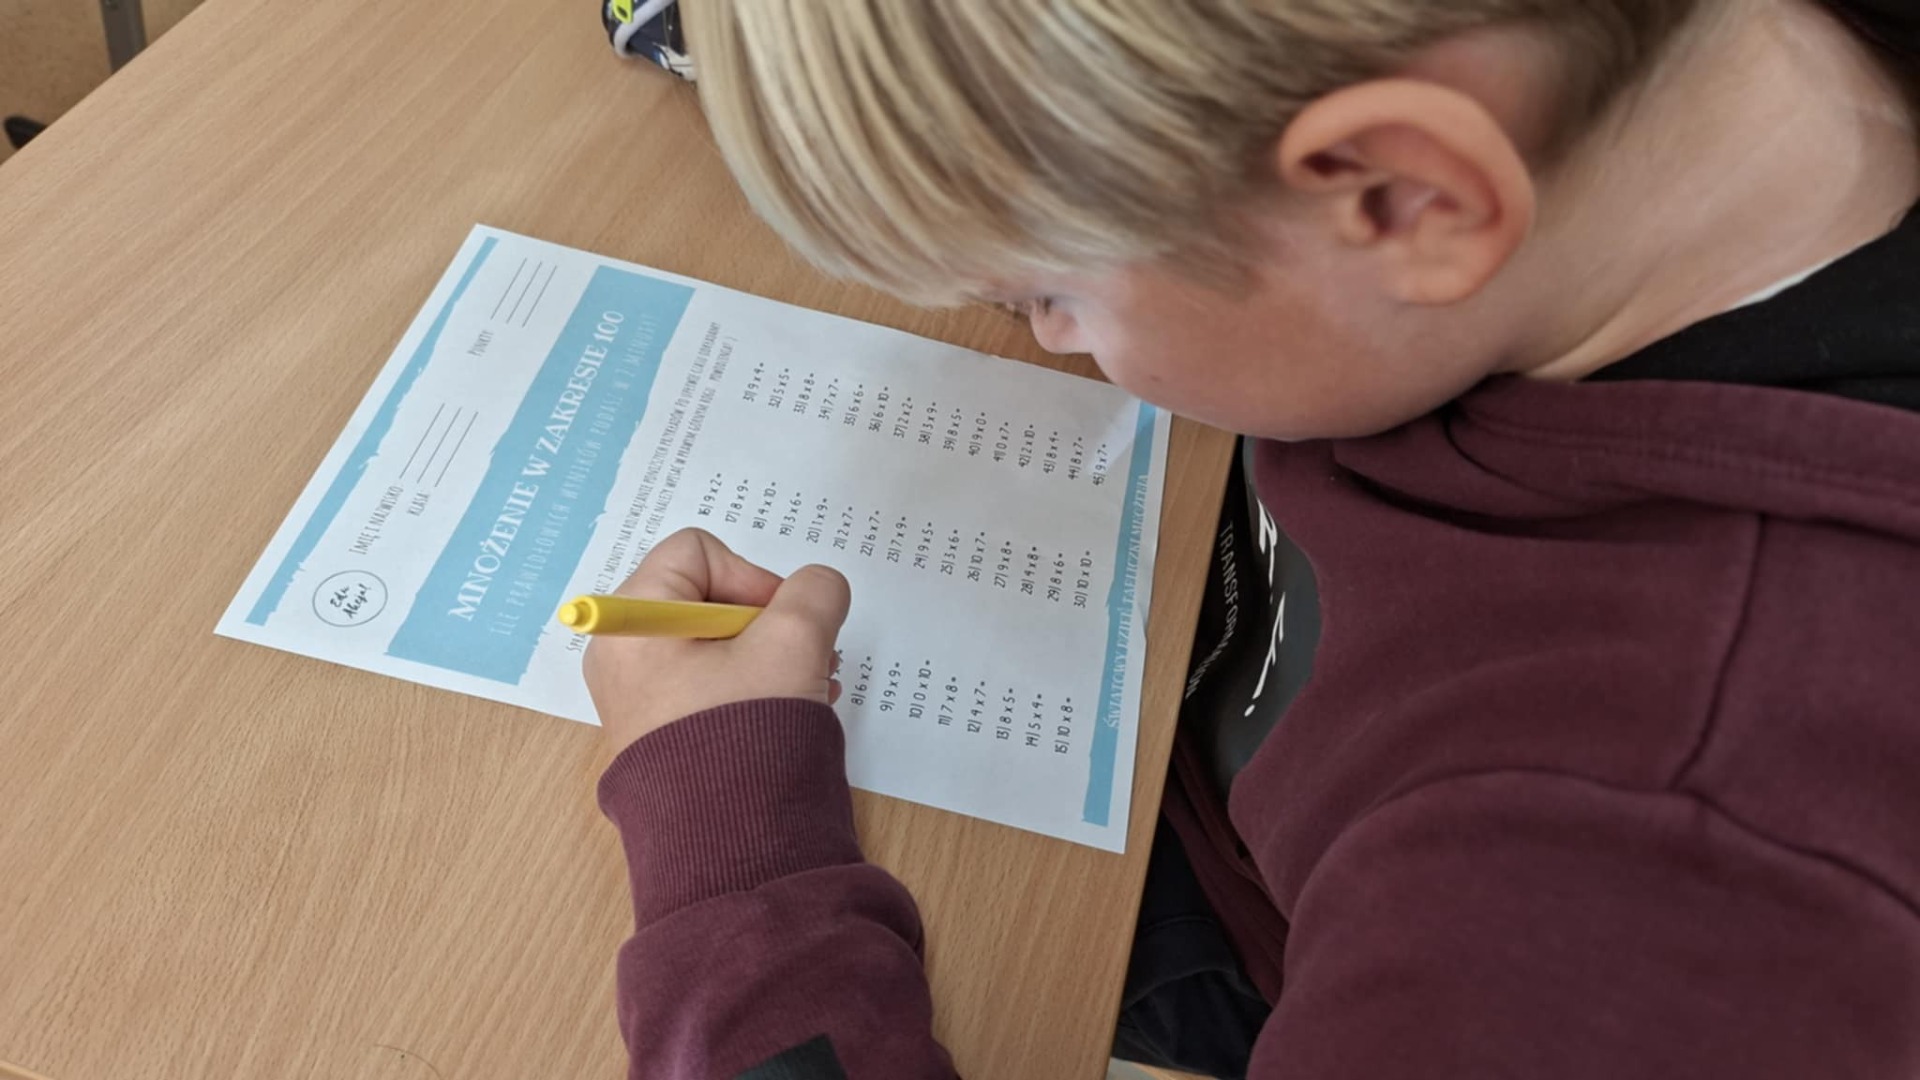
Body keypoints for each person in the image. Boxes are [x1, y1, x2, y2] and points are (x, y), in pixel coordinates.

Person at [589, 1, 1920, 1077]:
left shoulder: (1625, 897)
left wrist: (727, 848)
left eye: (1048, 290)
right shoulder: (1710, 116)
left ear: (1405, 200)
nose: (1047, 336)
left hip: (1232, 928)